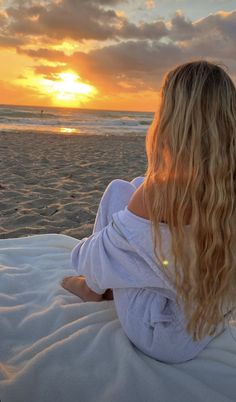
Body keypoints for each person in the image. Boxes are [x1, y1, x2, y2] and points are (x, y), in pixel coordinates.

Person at [61, 60, 236, 363]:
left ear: (172, 119)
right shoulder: (225, 187)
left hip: (159, 329)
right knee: (136, 188)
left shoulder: (162, 192)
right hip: (206, 320)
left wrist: (91, 271)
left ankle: (92, 290)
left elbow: (89, 260)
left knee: (119, 190)